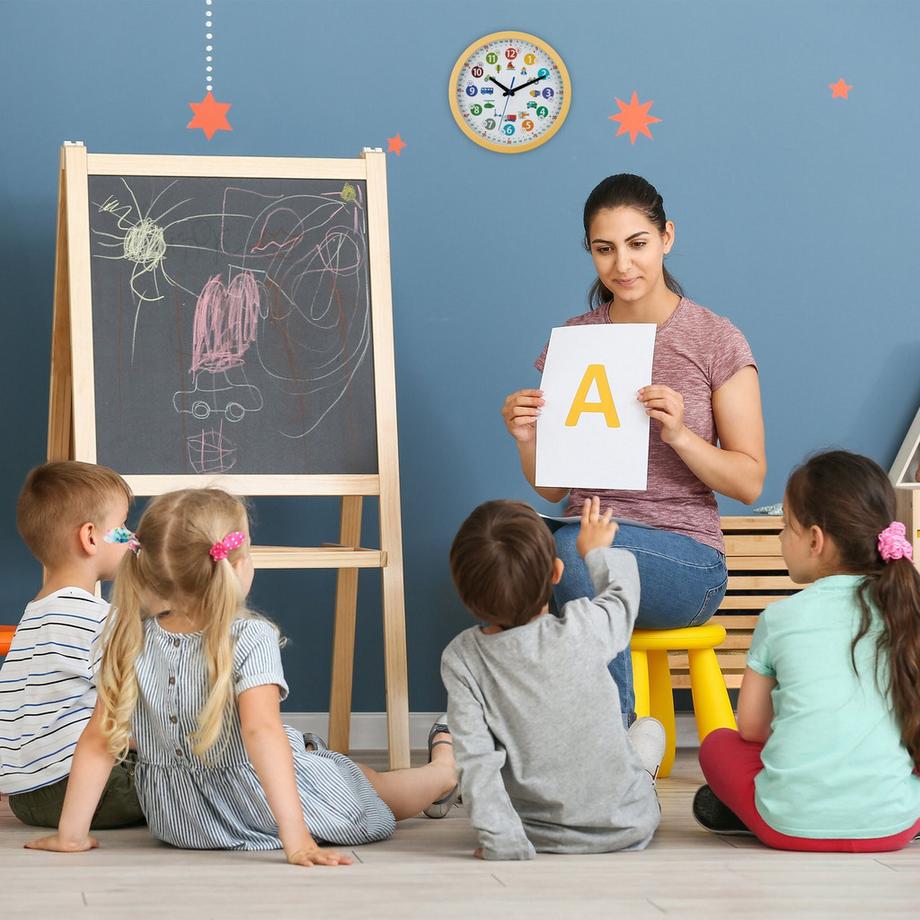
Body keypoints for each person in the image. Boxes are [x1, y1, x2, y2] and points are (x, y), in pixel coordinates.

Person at [25, 488, 458, 867]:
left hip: (181, 821)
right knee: (372, 787)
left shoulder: (125, 636)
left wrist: (71, 835)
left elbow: (100, 738)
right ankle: (445, 771)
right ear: (233, 566)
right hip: (259, 806)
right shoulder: (249, 636)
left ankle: (343, 760)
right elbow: (261, 733)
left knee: (337, 769)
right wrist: (298, 840)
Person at [501, 174, 766, 721]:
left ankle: (613, 752)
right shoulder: (575, 341)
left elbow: (749, 481)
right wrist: (528, 439)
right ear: (591, 252)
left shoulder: (714, 338)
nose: (622, 265)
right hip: (582, 535)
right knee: (504, 552)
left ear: (667, 237)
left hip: (685, 559)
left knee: (580, 560)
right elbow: (553, 486)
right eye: (605, 249)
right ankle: (502, 742)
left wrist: (681, 435)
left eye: (637, 244)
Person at [694, 450, 920, 851]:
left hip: (788, 824)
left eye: (785, 526)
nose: (781, 537)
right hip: (893, 827)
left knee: (718, 745)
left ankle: (752, 808)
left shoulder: (781, 617)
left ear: (815, 539)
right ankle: (889, 800)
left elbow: (752, 729)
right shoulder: (908, 608)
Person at [441, 496, 665, 860]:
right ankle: (642, 770)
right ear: (557, 572)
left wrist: (502, 842)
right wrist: (595, 552)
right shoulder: (584, 626)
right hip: (628, 824)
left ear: (464, 592)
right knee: (649, 732)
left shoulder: (463, 658)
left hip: (537, 835)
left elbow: (477, 761)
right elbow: (623, 600)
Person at [0, 461, 143, 829]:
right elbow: (139, 707)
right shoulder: (97, 618)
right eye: (123, 526)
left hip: (25, 799)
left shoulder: (33, 617)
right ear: (91, 537)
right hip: (85, 789)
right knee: (190, 773)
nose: (131, 536)